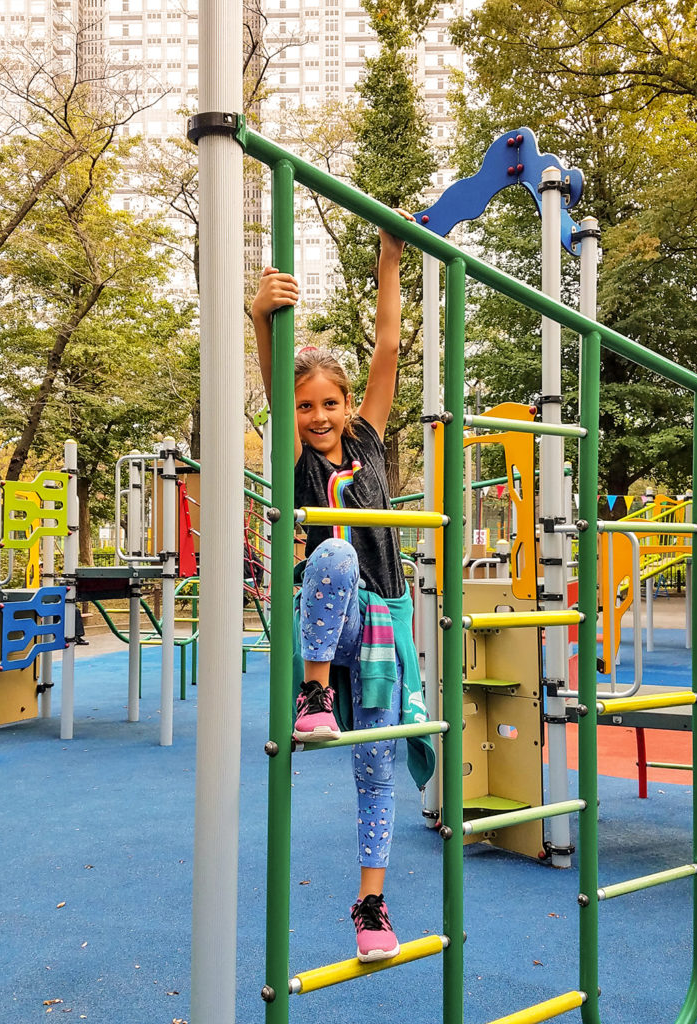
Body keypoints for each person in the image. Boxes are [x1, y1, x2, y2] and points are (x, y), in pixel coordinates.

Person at [251, 211, 434, 964]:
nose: (319, 416)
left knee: (378, 769)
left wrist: (390, 257)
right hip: (333, 614)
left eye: (330, 403)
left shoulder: (367, 434)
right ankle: (316, 694)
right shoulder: (296, 451)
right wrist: (260, 317)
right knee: (333, 556)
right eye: (305, 406)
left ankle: (371, 905)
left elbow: (389, 343)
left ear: (351, 404)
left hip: (386, 619)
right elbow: (272, 377)